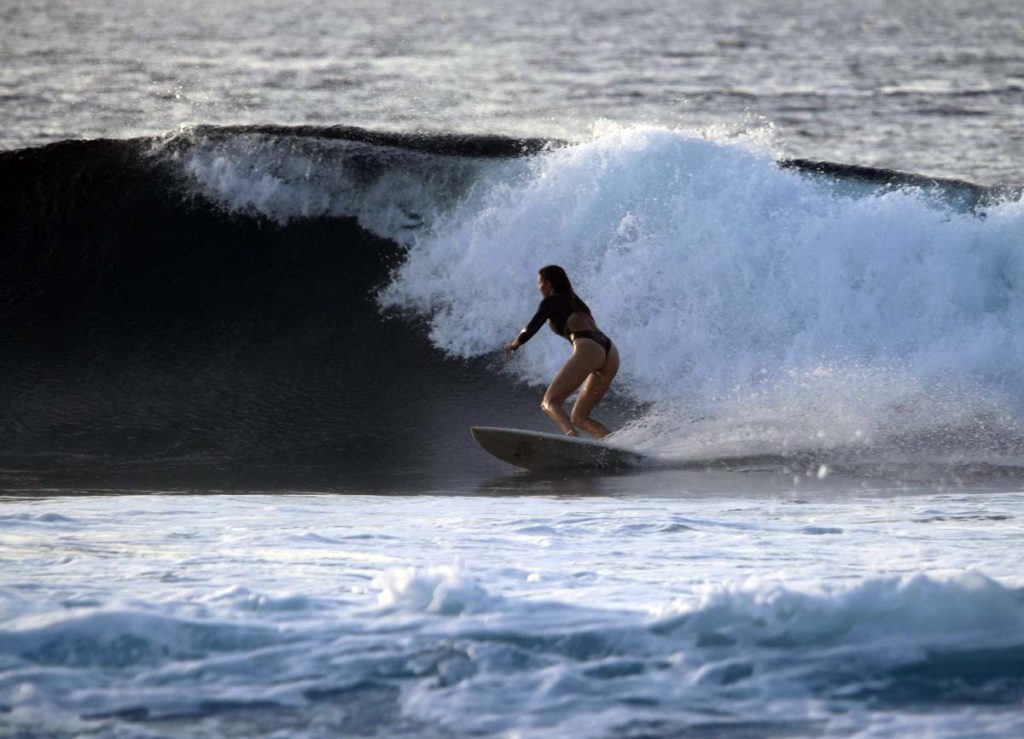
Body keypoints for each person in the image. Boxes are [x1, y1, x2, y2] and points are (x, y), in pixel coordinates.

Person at [504, 265, 619, 438]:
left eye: (540, 283)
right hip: (610, 351)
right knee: (580, 418)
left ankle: (572, 438)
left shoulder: (551, 301)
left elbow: (530, 328)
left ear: (548, 284)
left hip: (589, 348)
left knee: (549, 402)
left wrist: (515, 344)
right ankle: (616, 446)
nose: (539, 288)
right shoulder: (576, 301)